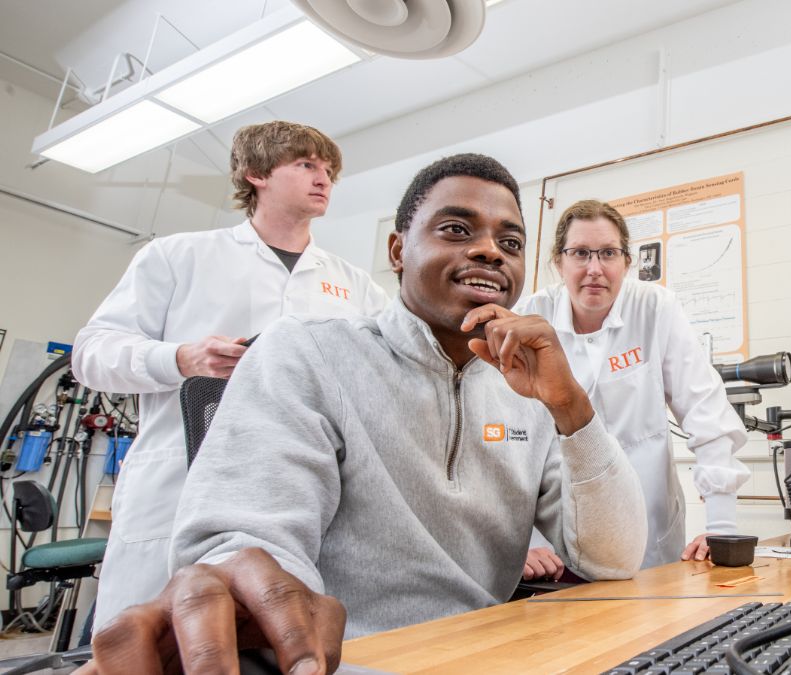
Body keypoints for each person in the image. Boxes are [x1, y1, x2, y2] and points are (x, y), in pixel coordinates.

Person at [80, 154, 646, 674]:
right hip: (348, 659)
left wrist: (571, 406)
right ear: (398, 252)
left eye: (511, 242)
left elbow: (614, 560)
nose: (490, 251)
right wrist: (247, 588)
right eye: (456, 229)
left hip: (482, 652)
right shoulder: (308, 352)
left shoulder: (526, 390)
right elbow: (252, 542)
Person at [72, 121, 389, 626]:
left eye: (329, 170)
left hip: (304, 495)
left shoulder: (353, 285)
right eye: (306, 164)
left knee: (268, 642)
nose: (323, 178)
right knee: (147, 640)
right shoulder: (178, 256)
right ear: (256, 172)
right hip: (180, 484)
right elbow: (90, 354)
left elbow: (384, 377)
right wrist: (180, 358)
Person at [516, 199, 749, 579]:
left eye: (608, 253)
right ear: (559, 262)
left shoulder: (655, 309)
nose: (594, 268)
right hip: (554, 546)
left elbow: (707, 413)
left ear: (627, 261)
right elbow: (506, 444)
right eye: (580, 253)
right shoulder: (530, 317)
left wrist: (722, 529)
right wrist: (524, 541)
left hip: (649, 534)